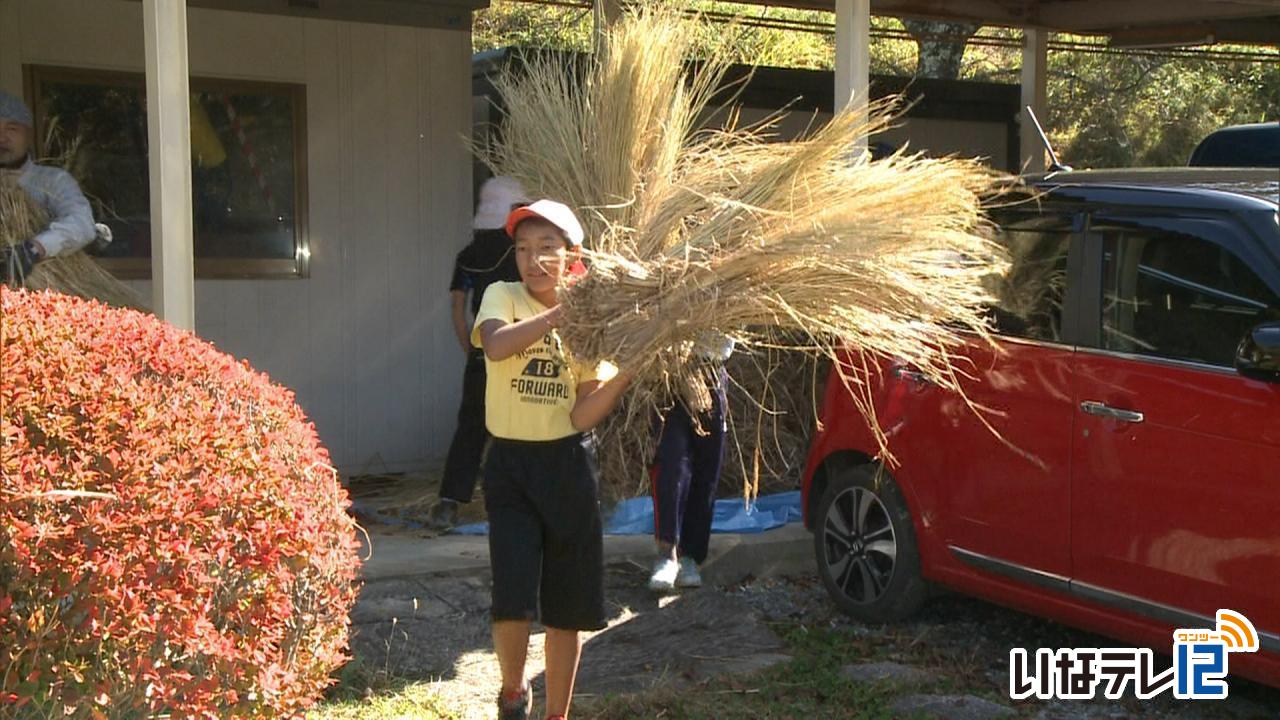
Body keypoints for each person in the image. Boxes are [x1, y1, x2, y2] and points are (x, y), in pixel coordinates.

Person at [474, 199, 630, 720]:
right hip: (510, 468)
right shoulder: (503, 295)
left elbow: (583, 414)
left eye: (546, 248)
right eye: (523, 248)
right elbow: (495, 348)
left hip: (567, 466)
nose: (532, 259)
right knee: (513, 594)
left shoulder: (589, 326)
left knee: (568, 605)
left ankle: (557, 714)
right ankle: (514, 692)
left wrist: (627, 373)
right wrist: (563, 311)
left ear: (572, 255)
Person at [426, 176, 528, 530]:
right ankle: (516, 502)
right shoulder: (520, 250)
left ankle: (448, 504)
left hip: (483, 354)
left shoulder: (467, 256)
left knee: (471, 427)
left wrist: (469, 347)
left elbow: (458, 308)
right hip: (520, 352)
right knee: (518, 427)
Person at [647, 333, 733, 593]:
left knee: (707, 470)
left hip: (710, 374)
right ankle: (667, 553)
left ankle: (691, 557)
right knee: (671, 462)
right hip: (668, 373)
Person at [0, 90, 96, 283]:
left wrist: (36, 248)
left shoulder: (53, 181)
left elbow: (82, 223)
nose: (1, 138)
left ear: (28, 136)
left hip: (43, 292)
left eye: (11, 129)